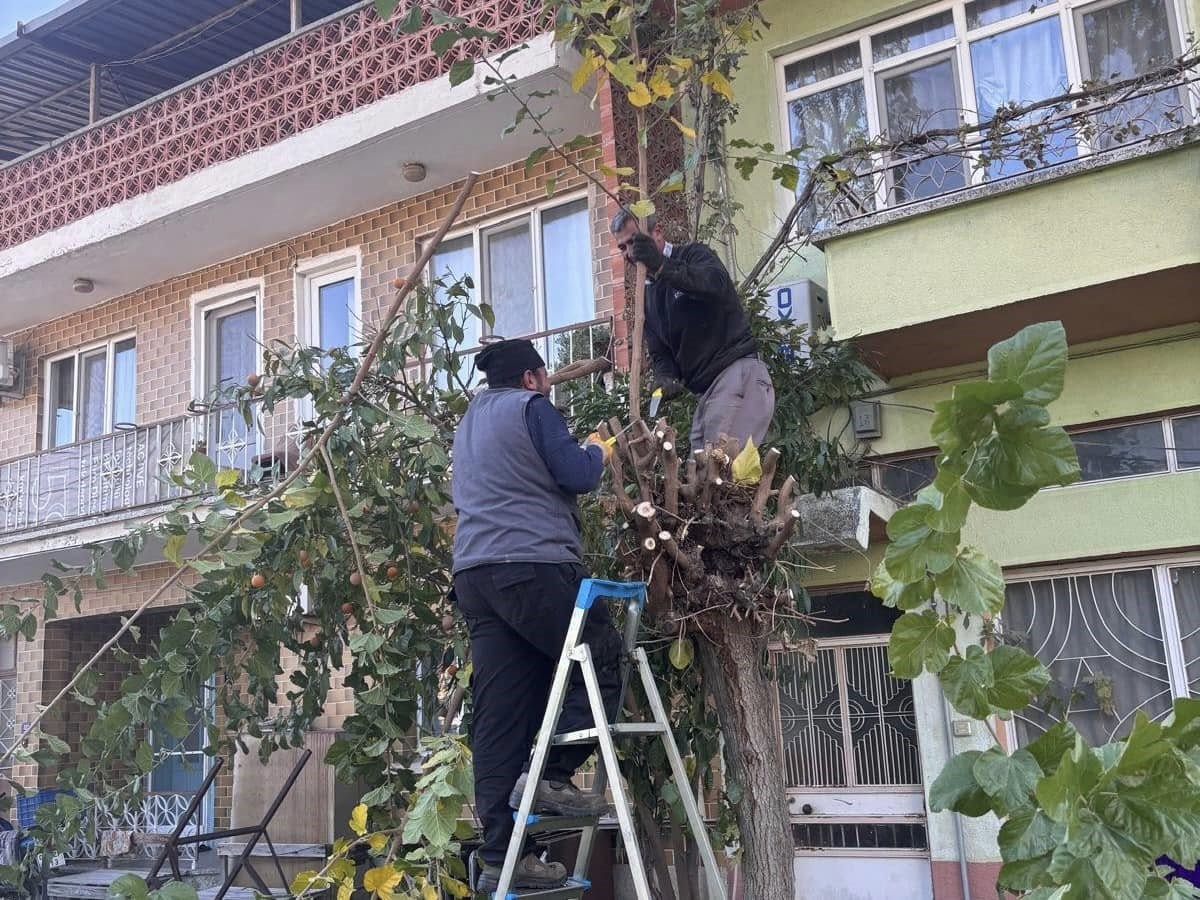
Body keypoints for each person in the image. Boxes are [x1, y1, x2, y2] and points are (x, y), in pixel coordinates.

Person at [450, 338, 624, 893]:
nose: (548, 384)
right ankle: (551, 774)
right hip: (532, 566)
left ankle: (503, 856)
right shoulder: (532, 408)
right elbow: (577, 475)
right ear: (531, 378)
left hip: (476, 577)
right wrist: (599, 449)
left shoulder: (470, 422)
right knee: (600, 659)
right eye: (545, 377)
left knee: (500, 714)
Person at [610, 209, 776, 453]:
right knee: (698, 473)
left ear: (657, 232)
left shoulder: (694, 255)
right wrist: (665, 377)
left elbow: (713, 284)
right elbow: (661, 353)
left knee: (715, 469)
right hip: (707, 393)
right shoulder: (647, 299)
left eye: (633, 241)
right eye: (622, 248)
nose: (629, 253)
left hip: (737, 373)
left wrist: (662, 266)